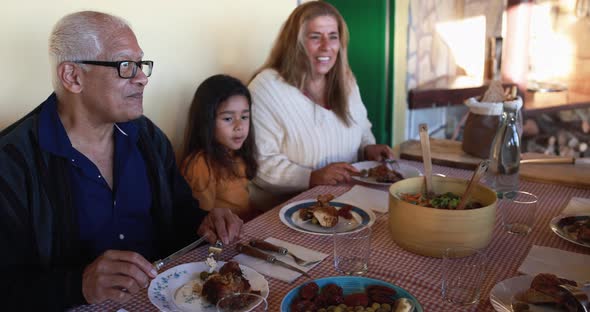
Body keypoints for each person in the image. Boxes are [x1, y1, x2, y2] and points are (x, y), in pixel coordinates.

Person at [0, 11, 242, 310]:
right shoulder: (11, 163)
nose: (142, 79)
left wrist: (206, 223)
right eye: (125, 65)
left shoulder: (148, 139)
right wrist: (78, 285)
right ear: (73, 77)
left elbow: (180, 217)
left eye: (141, 65)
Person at [248, 1, 395, 210]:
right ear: (295, 43)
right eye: (315, 37)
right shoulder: (266, 88)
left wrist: (368, 147)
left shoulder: (346, 81)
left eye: (333, 37)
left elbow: (361, 127)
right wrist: (311, 177)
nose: (326, 46)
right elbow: (261, 165)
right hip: (284, 212)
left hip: (346, 203)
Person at [180, 75, 259, 221]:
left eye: (244, 117)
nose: (239, 126)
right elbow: (202, 222)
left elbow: (243, 205)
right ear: (206, 121)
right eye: (228, 119)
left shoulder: (237, 154)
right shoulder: (201, 165)